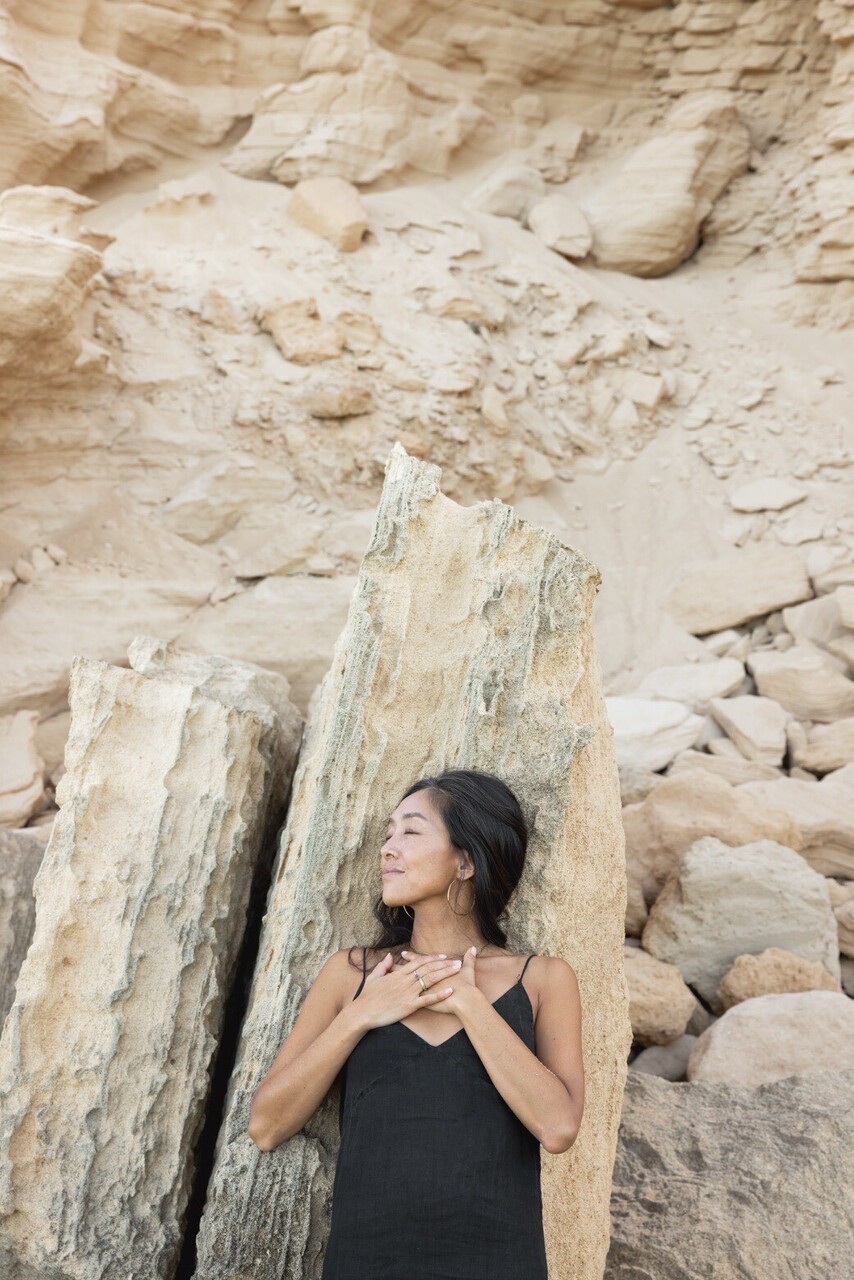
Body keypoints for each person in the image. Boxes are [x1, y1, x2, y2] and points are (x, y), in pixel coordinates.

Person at [248, 768, 585, 1280]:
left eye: (410, 831)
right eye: (389, 833)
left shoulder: (542, 979)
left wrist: (471, 1004)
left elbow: (558, 1128)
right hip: (367, 1264)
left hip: (498, 1262)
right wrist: (361, 1015)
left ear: (466, 861)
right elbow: (266, 1126)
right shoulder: (352, 975)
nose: (388, 848)